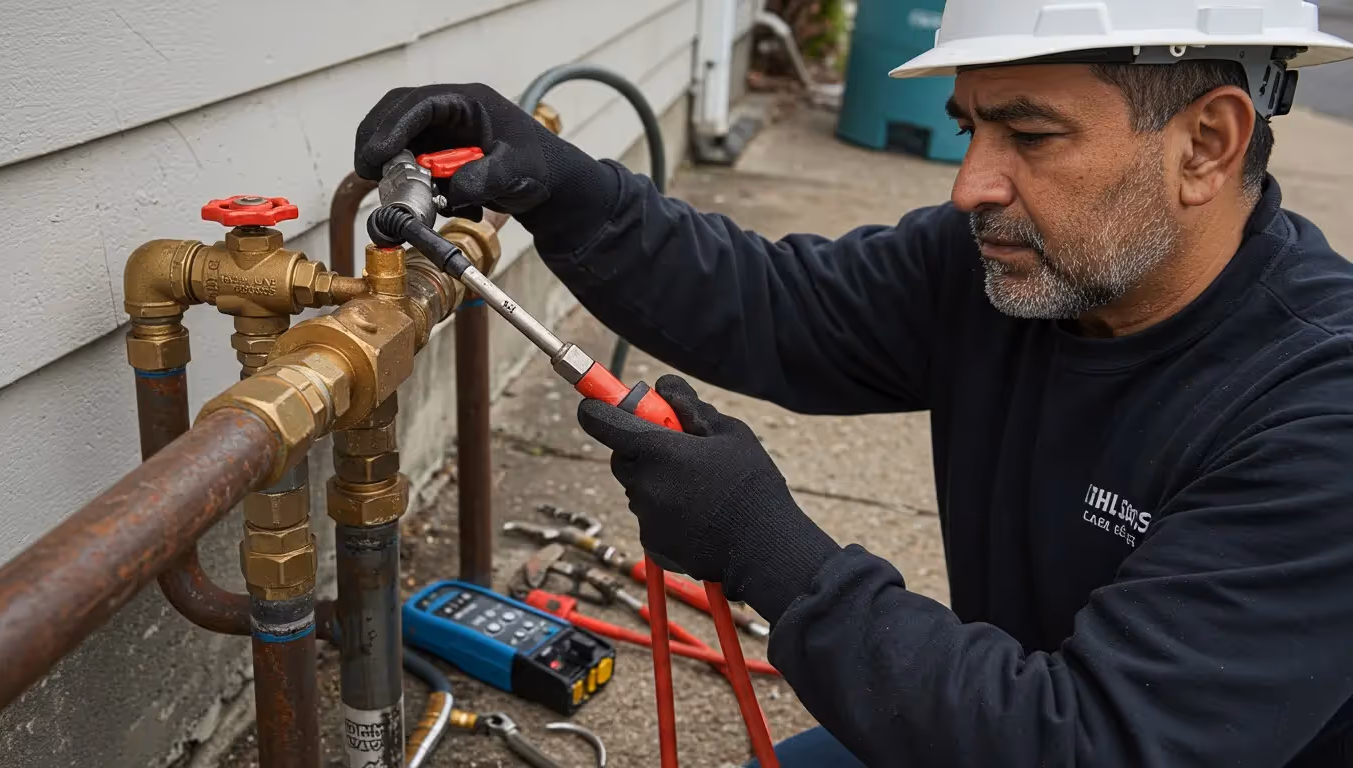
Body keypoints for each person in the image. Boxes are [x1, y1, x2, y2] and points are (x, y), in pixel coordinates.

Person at [355, 1, 1353, 764]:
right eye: (970, 130)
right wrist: (562, 187)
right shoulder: (1014, 269)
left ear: (1207, 144)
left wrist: (765, 547)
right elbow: (776, 305)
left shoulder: (1316, 417)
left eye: (1031, 136)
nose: (970, 185)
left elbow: (1089, 738)